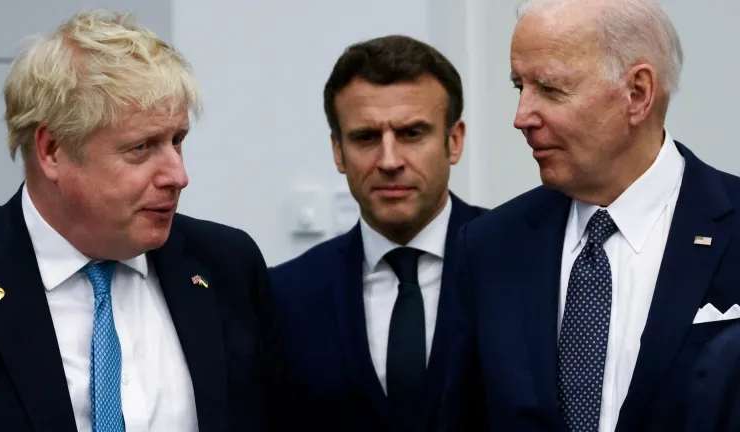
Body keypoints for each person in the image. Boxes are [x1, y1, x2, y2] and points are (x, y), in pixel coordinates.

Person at [0, 9, 279, 432]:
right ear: (52, 150)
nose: (178, 176)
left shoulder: (227, 265)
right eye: (141, 147)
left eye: (176, 140)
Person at [440, 0, 740, 431]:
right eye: (519, 87)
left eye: (550, 88)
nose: (521, 117)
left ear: (637, 93)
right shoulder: (489, 247)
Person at [269, 35, 486, 431]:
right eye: (366, 137)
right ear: (338, 151)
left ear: (454, 142)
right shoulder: (286, 295)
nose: (389, 161)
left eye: (412, 134)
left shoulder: (519, 263)